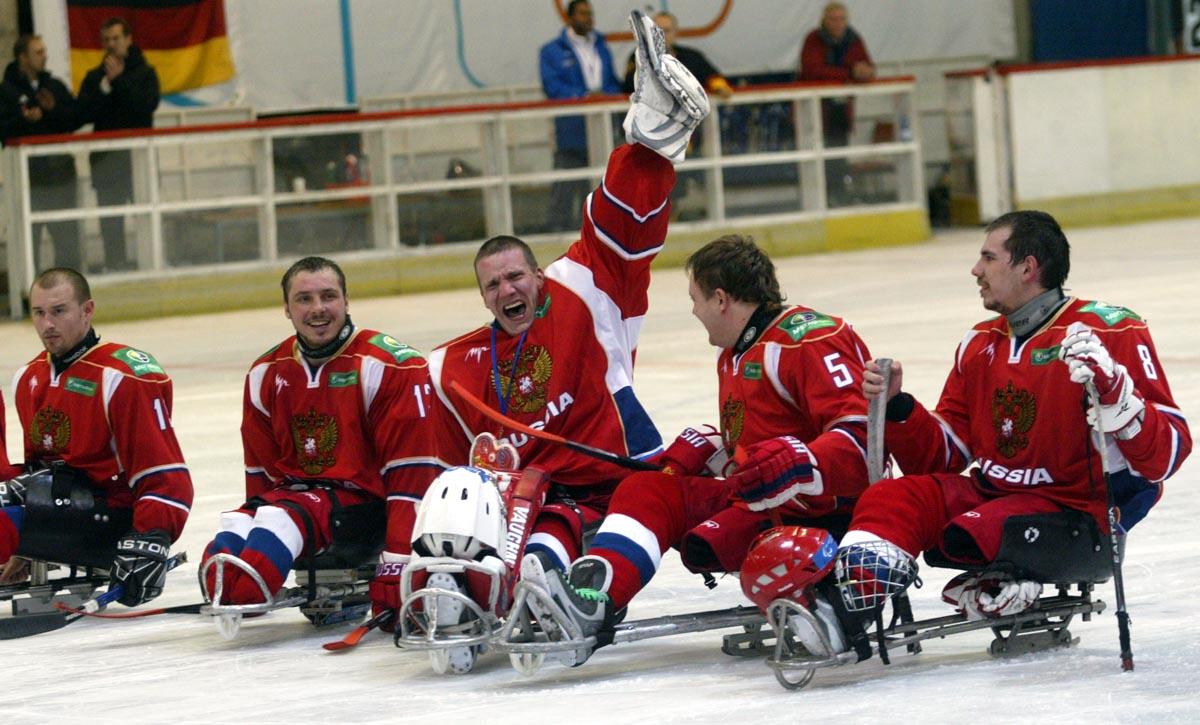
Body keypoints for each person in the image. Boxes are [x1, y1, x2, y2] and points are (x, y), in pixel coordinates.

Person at [425, 10, 708, 618]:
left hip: (618, 474)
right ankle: (472, 593)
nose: (508, 290)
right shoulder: (457, 363)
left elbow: (621, 227)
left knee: (561, 544)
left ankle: (573, 593)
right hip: (536, 499)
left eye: (516, 276)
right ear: (484, 296)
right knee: (514, 548)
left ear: (537, 275)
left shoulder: (581, 284)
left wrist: (646, 145)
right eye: (494, 284)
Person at [817, 210, 1191, 646]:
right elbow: (944, 456)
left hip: (1072, 513)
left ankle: (989, 581)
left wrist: (1119, 398)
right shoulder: (979, 342)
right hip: (993, 494)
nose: (976, 270)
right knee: (893, 496)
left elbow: (1166, 457)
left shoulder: (1111, 331)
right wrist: (900, 406)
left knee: (973, 531)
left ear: (1028, 268)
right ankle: (846, 608)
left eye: (989, 258)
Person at [517, 235, 875, 663]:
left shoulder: (808, 339)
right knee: (647, 489)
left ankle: (823, 597)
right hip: (758, 507)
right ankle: (593, 600)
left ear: (721, 299)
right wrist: (709, 447)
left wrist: (798, 461)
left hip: (814, 520)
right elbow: (755, 447)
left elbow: (862, 442)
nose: (693, 311)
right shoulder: (734, 353)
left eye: (696, 299)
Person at [200, 256, 442, 608]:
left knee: (258, 564)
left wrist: (398, 562)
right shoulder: (265, 372)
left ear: (346, 300)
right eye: (304, 299)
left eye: (328, 296)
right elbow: (262, 477)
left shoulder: (392, 366)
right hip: (301, 508)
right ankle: (243, 578)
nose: (318, 309)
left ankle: (254, 577)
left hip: (365, 514)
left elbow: (412, 477)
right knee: (233, 540)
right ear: (286, 308)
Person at [1, 268, 193, 606]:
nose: (47, 324)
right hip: (60, 506)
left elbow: (166, 479)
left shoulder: (124, 377)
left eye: (59, 311)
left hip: (111, 520)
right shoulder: (29, 376)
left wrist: (149, 540)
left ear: (87, 310)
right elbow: (37, 471)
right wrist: (28, 549)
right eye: (39, 312)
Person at [77, 17, 160, 273]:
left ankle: (152, 264)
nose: (111, 45)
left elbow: (145, 107)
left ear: (128, 39)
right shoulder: (94, 77)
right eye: (107, 40)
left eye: (116, 38)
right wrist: (104, 87)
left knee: (147, 213)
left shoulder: (146, 74)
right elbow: (82, 112)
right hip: (106, 159)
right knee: (110, 219)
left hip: (137, 157)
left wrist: (120, 81)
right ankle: (114, 264)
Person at [538, 0, 622, 232]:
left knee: (600, 184)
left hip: (602, 128)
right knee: (567, 182)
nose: (589, 19)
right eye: (583, 14)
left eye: (590, 14)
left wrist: (606, 97)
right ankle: (559, 229)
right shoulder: (551, 51)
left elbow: (612, 81)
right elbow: (553, 87)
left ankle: (600, 229)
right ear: (569, 17)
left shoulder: (601, 46)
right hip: (571, 129)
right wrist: (582, 97)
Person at [0, 35, 82, 269]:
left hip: (60, 176)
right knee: (27, 240)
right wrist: (23, 119)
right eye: (38, 52)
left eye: (44, 51)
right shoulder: (6, 91)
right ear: (22, 57)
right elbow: (3, 128)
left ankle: (67, 292)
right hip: (27, 179)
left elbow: (74, 118)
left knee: (67, 239)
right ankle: (30, 293)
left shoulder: (54, 86)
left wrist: (52, 109)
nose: (45, 56)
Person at [797, 2, 876, 202]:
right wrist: (849, 73)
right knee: (817, 154)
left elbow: (867, 65)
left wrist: (866, 72)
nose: (838, 23)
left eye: (842, 19)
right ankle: (817, 198)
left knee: (839, 153)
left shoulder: (853, 39)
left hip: (841, 110)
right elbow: (812, 70)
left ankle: (838, 195)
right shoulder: (814, 40)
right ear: (824, 20)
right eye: (833, 19)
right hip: (815, 111)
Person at [620, 12, 733, 100]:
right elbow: (629, 86)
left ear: (675, 32)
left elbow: (712, 76)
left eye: (667, 31)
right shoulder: (639, 56)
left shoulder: (692, 57)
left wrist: (720, 88)